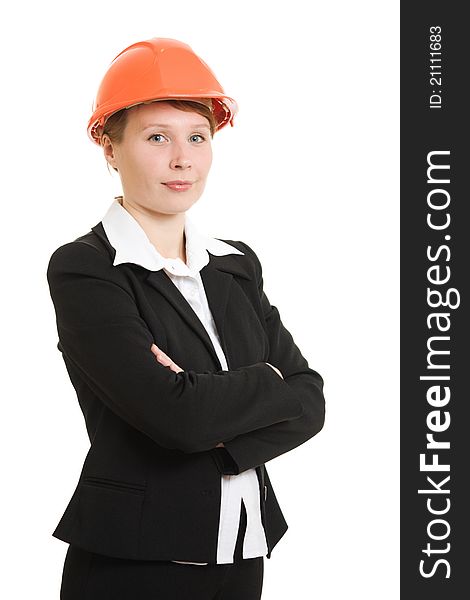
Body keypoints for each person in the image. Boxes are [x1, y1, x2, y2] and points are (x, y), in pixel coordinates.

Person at [47, 37, 326, 600]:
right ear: (109, 145)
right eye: (157, 138)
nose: (184, 160)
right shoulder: (86, 269)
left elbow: (310, 400)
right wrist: (265, 384)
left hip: (243, 550)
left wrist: (209, 403)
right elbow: (177, 420)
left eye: (197, 138)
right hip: (136, 561)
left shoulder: (236, 264)